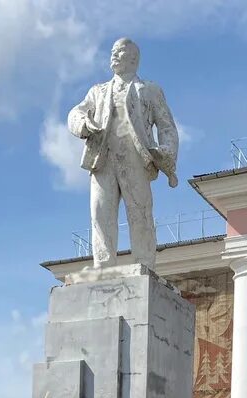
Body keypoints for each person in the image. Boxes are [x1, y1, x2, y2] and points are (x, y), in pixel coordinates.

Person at [68, 37, 179, 270]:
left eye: (119, 52)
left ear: (133, 58)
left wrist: (165, 153)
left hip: (136, 157)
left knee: (139, 211)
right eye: (112, 52)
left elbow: (166, 126)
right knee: (100, 211)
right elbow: (75, 113)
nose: (114, 56)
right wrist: (83, 124)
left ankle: (144, 263)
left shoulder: (149, 90)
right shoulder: (97, 91)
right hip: (102, 157)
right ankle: (103, 264)